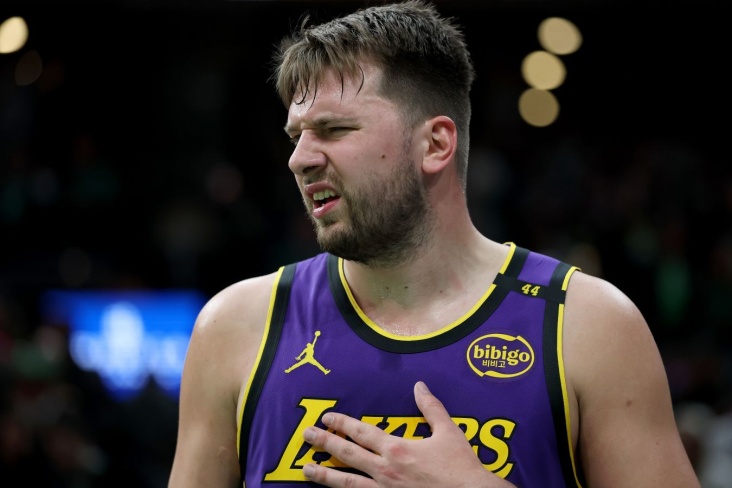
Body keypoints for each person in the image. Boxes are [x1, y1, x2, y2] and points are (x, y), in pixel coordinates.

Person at [167, 1, 700, 487]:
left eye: (333, 129)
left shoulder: (588, 324)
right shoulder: (234, 326)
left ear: (435, 143)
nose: (299, 159)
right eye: (296, 136)